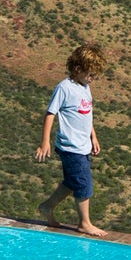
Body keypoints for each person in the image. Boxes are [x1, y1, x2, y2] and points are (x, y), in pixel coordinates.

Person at [36, 43, 108, 236]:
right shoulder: (64, 88)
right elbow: (50, 113)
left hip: (83, 144)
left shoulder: (85, 87)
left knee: (72, 181)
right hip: (70, 146)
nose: (93, 79)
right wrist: (45, 142)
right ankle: (84, 223)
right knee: (84, 183)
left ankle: (47, 207)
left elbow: (86, 112)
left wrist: (94, 136)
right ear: (78, 69)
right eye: (90, 74)